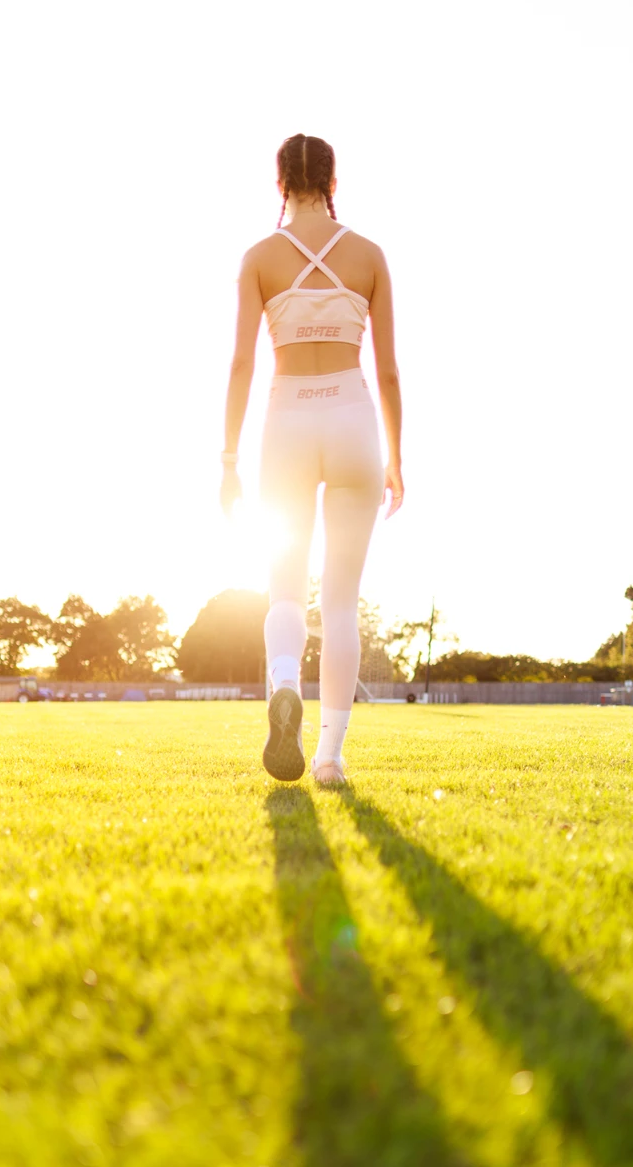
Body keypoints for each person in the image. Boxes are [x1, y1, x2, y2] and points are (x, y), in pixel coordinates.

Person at [220, 133, 403, 784]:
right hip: (353, 416)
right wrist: (396, 456)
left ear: (280, 185)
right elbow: (387, 373)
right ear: (332, 181)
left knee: (286, 589)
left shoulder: (260, 258)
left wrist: (228, 458)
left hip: (287, 419)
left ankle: (281, 682)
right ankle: (329, 756)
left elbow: (243, 362)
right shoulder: (369, 256)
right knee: (344, 602)